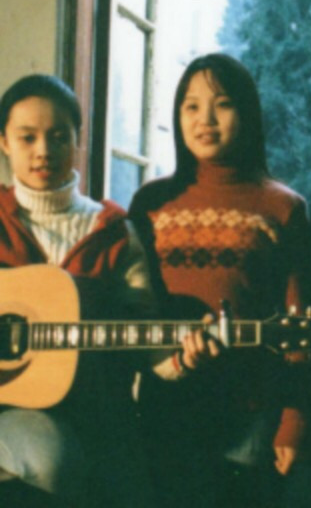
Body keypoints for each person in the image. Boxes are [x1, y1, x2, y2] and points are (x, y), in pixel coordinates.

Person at [128, 53, 309, 507]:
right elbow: (130, 305)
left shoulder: (283, 206)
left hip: (251, 408)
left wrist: (293, 421)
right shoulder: (150, 202)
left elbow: (300, 325)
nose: (205, 119)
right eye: (191, 106)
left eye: (222, 104)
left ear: (247, 114)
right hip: (166, 405)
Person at [0, 74, 160, 507]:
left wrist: (181, 355)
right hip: (10, 413)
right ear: (4, 143)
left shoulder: (115, 231)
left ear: (77, 140)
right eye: (27, 137)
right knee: (51, 457)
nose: (43, 150)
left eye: (58, 137)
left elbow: (145, 332)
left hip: (99, 417)